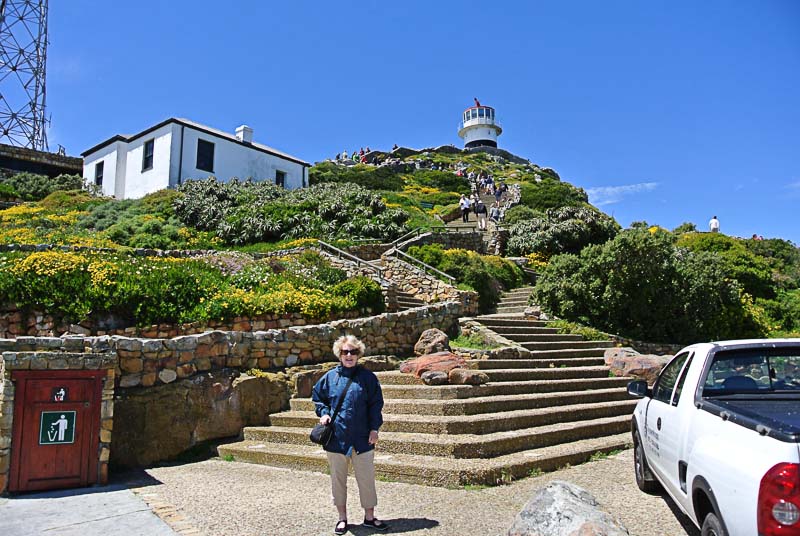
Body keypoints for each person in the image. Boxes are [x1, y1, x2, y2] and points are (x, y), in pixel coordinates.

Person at [312, 335, 387, 534]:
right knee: (338, 480)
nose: (349, 355)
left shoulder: (368, 378)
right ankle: (342, 518)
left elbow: (376, 405)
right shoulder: (330, 377)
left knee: (366, 479)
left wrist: (374, 428)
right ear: (339, 354)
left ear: (358, 354)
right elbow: (318, 398)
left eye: (353, 352)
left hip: (363, 438)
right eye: (345, 351)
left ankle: (369, 517)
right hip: (337, 438)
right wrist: (324, 413)